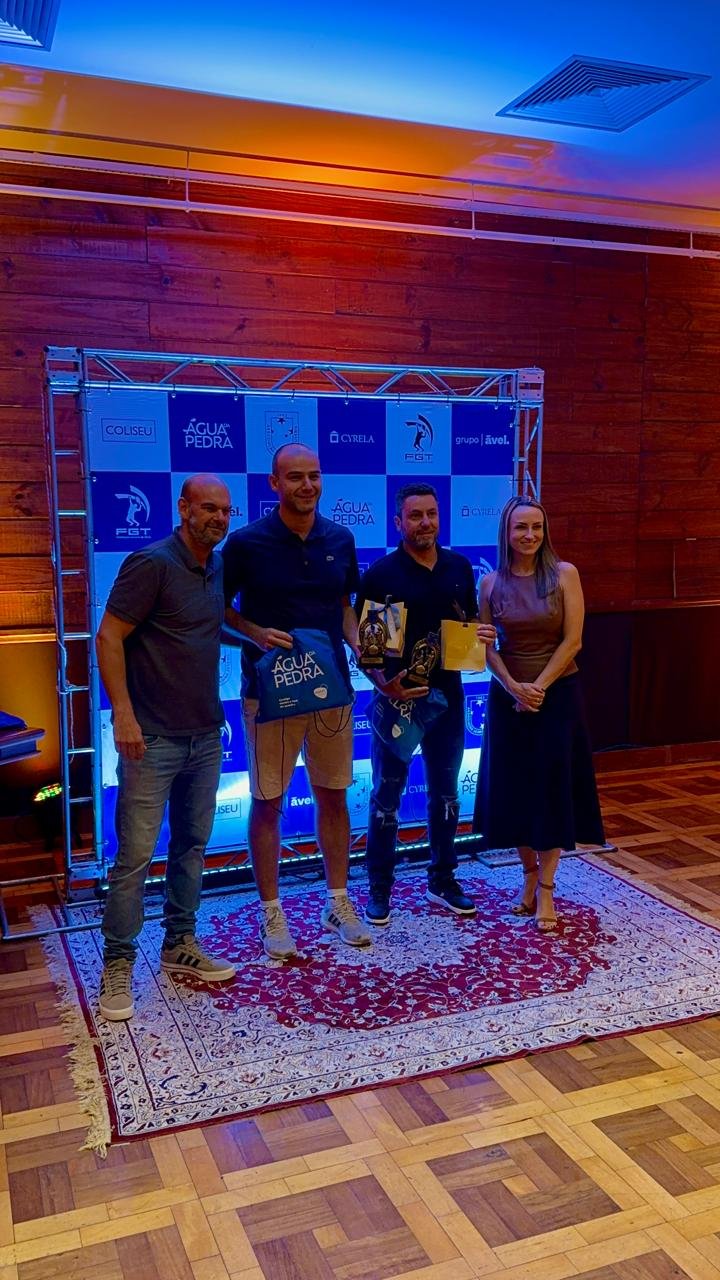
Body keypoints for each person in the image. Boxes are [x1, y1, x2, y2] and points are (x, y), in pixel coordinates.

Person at [96, 474, 237, 1022]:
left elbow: (206, 626)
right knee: (134, 858)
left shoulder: (215, 566)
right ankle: (117, 962)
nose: (218, 518)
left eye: (225, 511)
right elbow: (109, 636)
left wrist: (255, 637)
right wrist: (123, 716)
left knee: (192, 845)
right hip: (151, 738)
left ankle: (180, 943)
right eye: (208, 508)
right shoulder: (150, 563)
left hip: (206, 735)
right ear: (184, 509)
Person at [222, 443, 371, 959]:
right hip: (268, 695)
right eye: (295, 477)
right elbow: (218, 609)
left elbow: (345, 606)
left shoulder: (341, 538)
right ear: (274, 483)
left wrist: (360, 645)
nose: (307, 485)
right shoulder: (246, 543)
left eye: (314, 476)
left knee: (334, 796)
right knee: (268, 803)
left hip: (333, 692)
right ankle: (271, 912)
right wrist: (254, 633)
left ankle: (338, 902)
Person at [356, 482, 496, 925]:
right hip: (398, 701)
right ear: (398, 522)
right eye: (415, 516)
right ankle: (380, 888)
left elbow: (467, 629)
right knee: (386, 796)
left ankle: (443, 879)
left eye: (431, 514)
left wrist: (481, 636)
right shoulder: (382, 575)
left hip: (448, 699)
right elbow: (371, 653)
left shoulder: (458, 567)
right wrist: (385, 685)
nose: (425, 523)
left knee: (447, 794)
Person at [473, 494, 605, 932]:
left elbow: (573, 641)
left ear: (545, 532)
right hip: (508, 698)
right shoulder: (489, 583)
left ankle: (547, 888)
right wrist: (514, 687)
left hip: (557, 696)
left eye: (536, 527)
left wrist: (537, 689)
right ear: (507, 533)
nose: (529, 535)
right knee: (516, 792)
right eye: (521, 527)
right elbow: (485, 646)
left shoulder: (565, 574)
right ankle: (528, 876)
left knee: (551, 792)